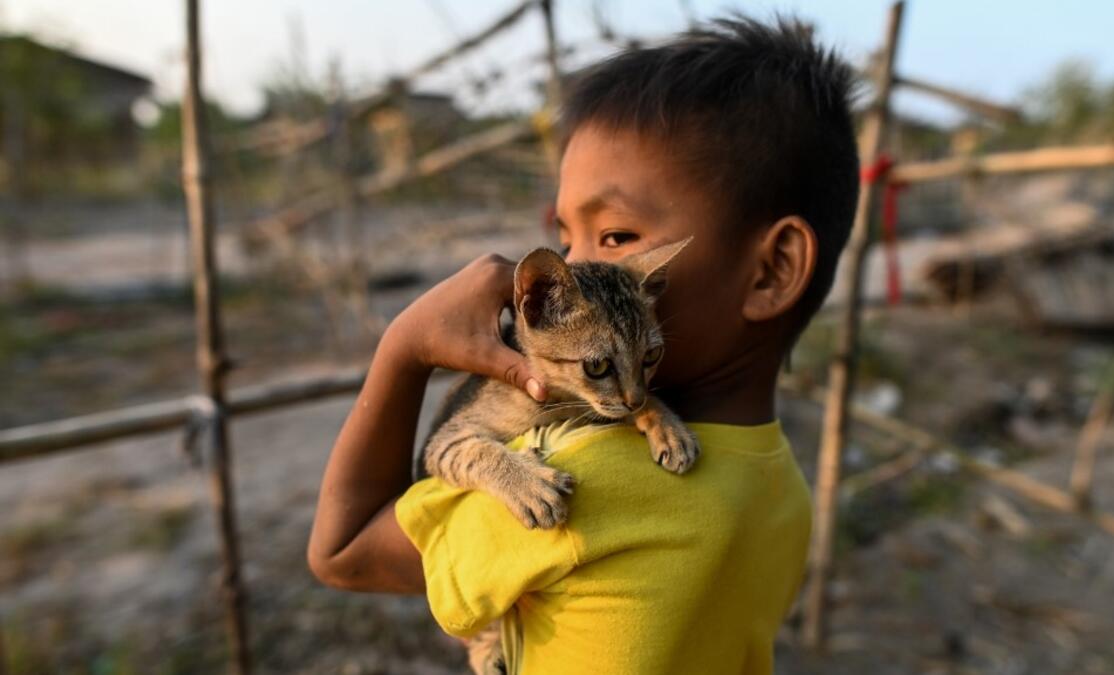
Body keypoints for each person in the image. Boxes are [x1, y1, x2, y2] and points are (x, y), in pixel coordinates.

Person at [309, 14, 860, 674]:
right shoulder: (781, 487)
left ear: (771, 271)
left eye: (619, 237)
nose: (584, 266)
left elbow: (341, 551)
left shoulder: (587, 484)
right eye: (567, 237)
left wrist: (403, 346)